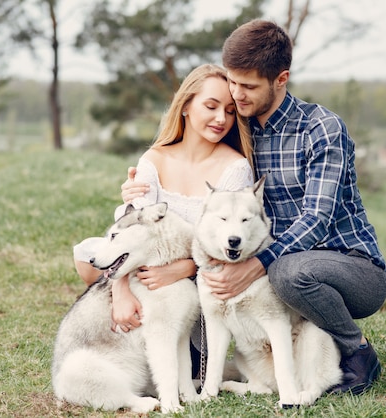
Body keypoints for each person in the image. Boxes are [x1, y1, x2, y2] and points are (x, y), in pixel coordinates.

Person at [122, 20, 386, 396]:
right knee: (266, 278)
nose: (237, 96)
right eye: (233, 83)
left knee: (288, 273)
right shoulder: (240, 128)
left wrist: (253, 266)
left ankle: (357, 352)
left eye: (248, 87)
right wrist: (137, 196)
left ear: (281, 79)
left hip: (350, 266)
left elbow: (317, 219)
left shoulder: (321, 129)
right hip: (277, 268)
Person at [73, 63, 254, 379]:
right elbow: (135, 231)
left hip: (202, 272)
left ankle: (188, 351)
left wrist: (185, 268)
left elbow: (231, 239)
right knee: (88, 257)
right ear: (185, 106)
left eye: (229, 110)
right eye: (210, 106)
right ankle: (135, 336)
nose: (221, 119)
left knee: (175, 288)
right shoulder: (154, 159)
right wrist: (121, 291)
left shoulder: (235, 168)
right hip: (149, 266)